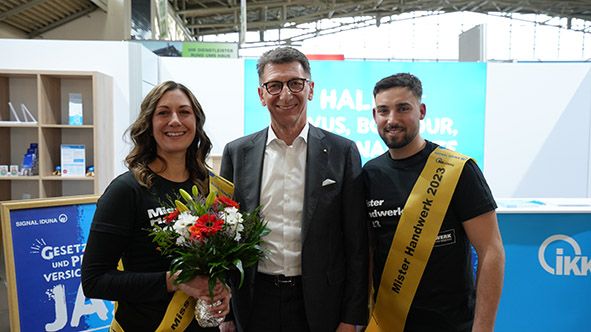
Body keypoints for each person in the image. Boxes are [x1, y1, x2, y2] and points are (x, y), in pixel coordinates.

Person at [219, 46, 368, 332]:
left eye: (295, 83)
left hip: (320, 303)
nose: (286, 95)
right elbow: (226, 239)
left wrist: (352, 317)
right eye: (274, 85)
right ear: (261, 95)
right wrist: (227, 315)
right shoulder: (237, 153)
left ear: (310, 89)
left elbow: (356, 245)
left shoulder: (342, 152)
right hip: (254, 300)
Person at [81, 81, 231, 331]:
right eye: (163, 113)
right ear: (149, 124)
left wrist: (224, 290)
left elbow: (223, 260)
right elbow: (94, 281)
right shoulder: (126, 191)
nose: (175, 120)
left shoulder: (211, 187)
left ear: (196, 123)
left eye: (184, 112)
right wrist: (174, 281)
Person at [363, 73, 505, 332]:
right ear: (375, 116)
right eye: (384, 110)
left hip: (451, 324)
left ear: (421, 111)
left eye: (403, 108)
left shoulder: (458, 171)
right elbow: (368, 253)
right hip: (387, 325)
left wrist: (483, 328)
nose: (392, 119)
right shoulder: (369, 174)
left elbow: (491, 251)